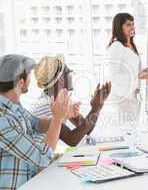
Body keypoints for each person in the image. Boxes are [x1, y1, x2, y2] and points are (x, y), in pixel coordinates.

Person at [0, 54, 70, 190]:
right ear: (21, 82)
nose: (31, 80)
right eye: (29, 76)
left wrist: (61, 115)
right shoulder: (2, 118)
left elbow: (35, 123)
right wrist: (57, 119)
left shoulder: (14, 107)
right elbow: (42, 157)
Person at [31, 55, 111, 146]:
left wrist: (97, 106)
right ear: (61, 80)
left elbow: (85, 129)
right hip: (41, 159)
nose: (72, 75)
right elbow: (72, 139)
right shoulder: (45, 107)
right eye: (69, 73)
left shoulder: (61, 99)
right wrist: (95, 109)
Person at [107, 13, 148, 124]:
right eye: (128, 24)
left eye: (133, 24)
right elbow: (114, 76)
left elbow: (132, 69)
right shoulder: (116, 46)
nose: (132, 27)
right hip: (123, 97)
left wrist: (142, 72)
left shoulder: (130, 45)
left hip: (133, 96)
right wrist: (138, 75)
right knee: (127, 131)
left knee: (134, 129)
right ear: (119, 27)